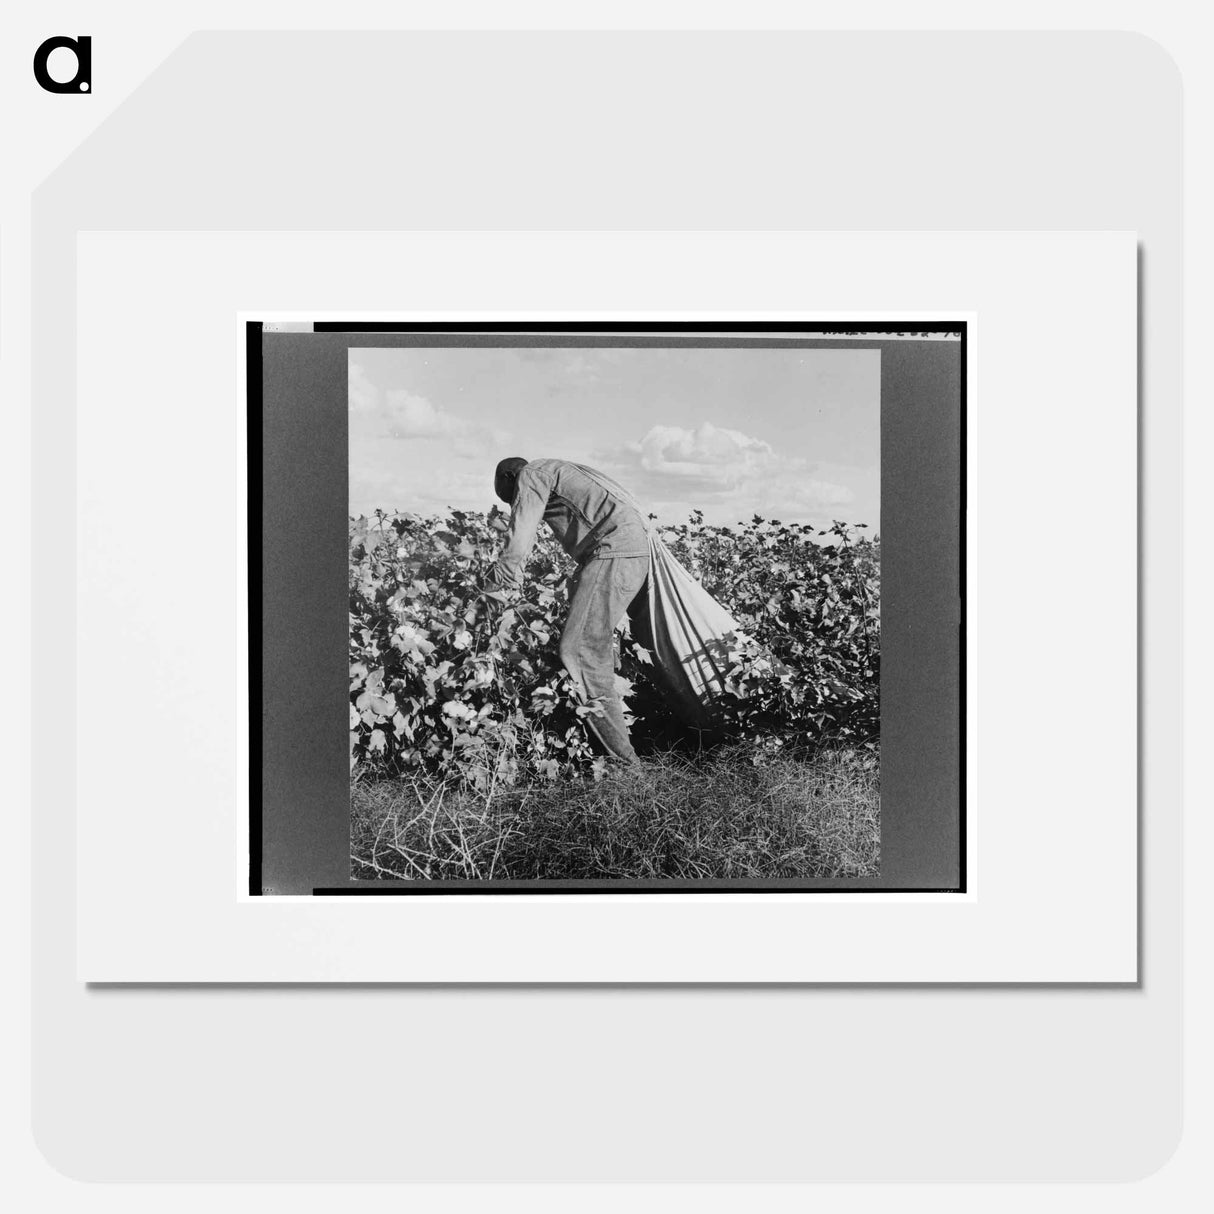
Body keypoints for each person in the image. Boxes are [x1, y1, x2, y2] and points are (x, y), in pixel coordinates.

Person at [485, 457, 655, 766]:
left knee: (580, 652)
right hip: (631, 552)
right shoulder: (558, 470)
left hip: (613, 552)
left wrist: (499, 588)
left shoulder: (531, 474)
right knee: (592, 645)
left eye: (513, 497)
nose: (517, 503)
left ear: (511, 476)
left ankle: (625, 768)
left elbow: (519, 537)